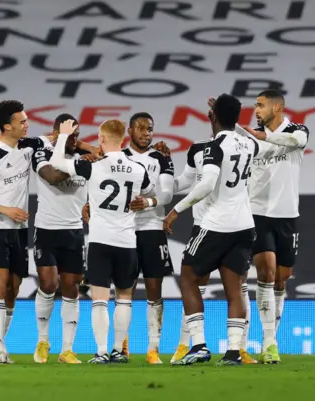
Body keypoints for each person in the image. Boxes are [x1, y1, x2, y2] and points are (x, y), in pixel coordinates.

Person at [164, 94, 259, 366]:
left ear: (212, 116)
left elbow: (206, 185)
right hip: (243, 225)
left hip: (215, 225)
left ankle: (199, 345)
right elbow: (239, 134)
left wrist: (175, 211)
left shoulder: (213, 147)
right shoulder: (249, 144)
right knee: (235, 288)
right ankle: (232, 352)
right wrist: (226, 116)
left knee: (189, 278)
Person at [50, 119, 154, 364]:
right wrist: (145, 203)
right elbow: (150, 194)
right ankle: (119, 350)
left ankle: (101, 351)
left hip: (100, 241)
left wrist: (64, 136)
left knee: (99, 299)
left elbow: (56, 163)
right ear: (124, 139)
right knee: (124, 298)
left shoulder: (94, 167)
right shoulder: (139, 169)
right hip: (127, 241)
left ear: (102, 139)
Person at [237, 89, 310, 364]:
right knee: (265, 272)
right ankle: (269, 342)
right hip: (257, 214)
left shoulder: (297, 130)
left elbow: (295, 140)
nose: (256, 110)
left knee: (282, 278)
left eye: (260, 105)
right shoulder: (250, 138)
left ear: (277, 107)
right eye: (255, 105)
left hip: (287, 216)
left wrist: (263, 137)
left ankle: (272, 337)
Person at [0, 100, 44, 364]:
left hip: (18, 228)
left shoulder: (27, 146)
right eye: (22, 122)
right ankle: (0, 345)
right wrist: (7, 211)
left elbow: (55, 138)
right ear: (7, 126)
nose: (27, 125)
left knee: (14, 288)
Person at [31, 114, 93, 365]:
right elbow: (53, 177)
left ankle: (67, 349)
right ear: (56, 133)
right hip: (46, 229)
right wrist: (75, 157)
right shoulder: (42, 155)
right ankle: (43, 340)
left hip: (74, 231)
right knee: (48, 284)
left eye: (77, 135)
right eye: (69, 134)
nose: (74, 140)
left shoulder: (83, 159)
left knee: (71, 288)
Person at [121, 112, 175, 364]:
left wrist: (149, 201)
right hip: (125, 230)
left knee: (155, 289)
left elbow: (166, 194)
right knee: (125, 290)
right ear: (129, 131)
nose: (145, 132)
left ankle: (153, 348)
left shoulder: (162, 157)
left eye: (149, 128)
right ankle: (122, 346)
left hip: (153, 228)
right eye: (140, 127)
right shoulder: (118, 157)